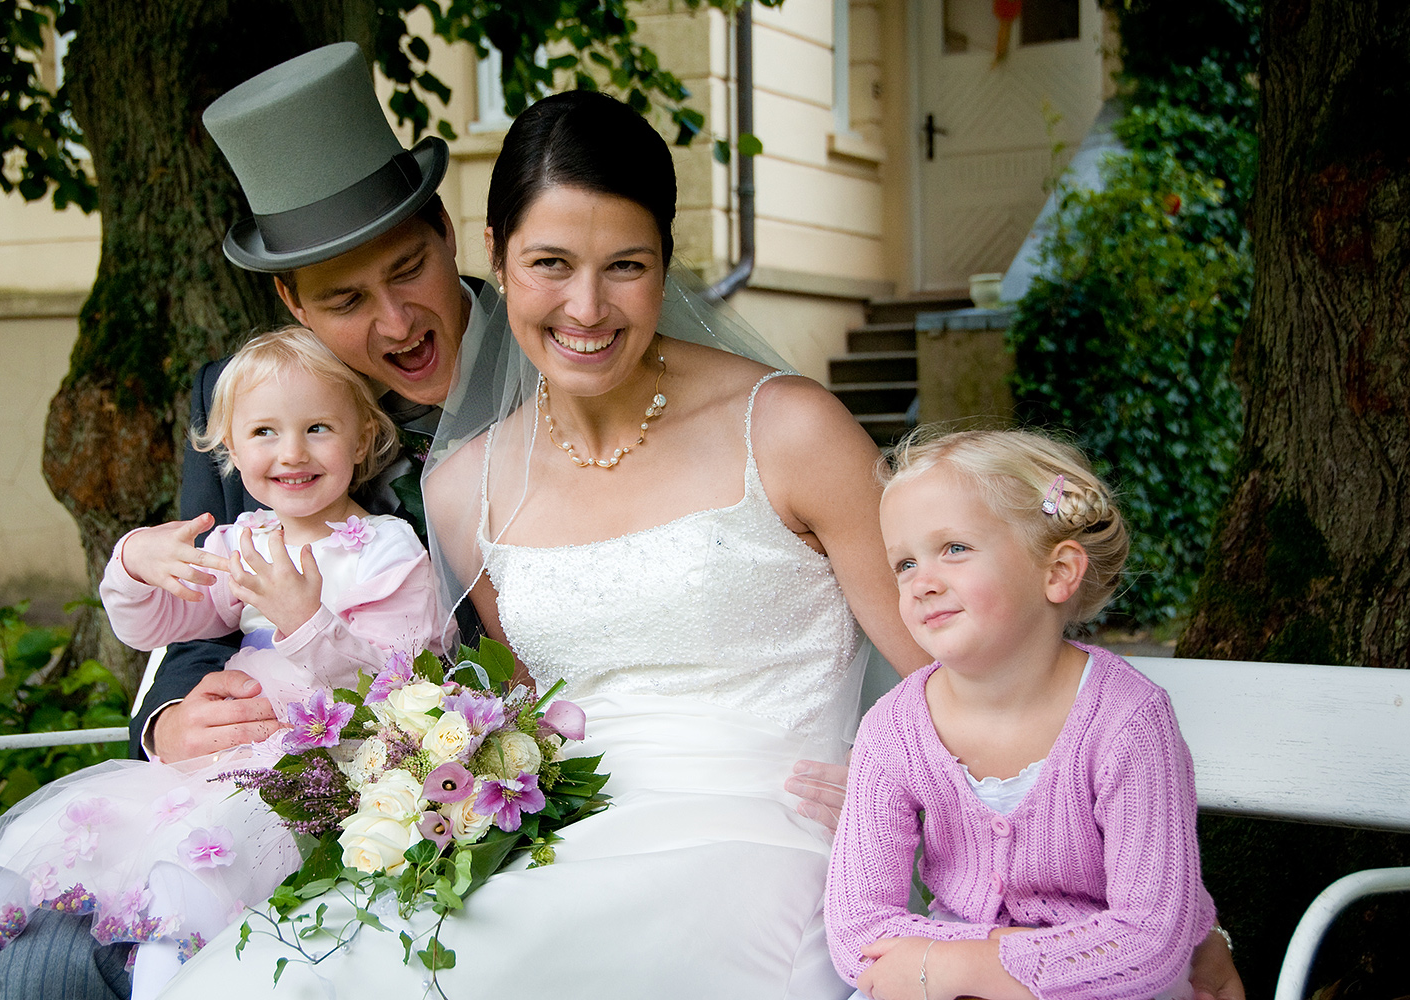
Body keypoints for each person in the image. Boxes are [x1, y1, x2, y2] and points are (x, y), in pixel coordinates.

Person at [157, 88, 927, 1000]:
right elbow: (526, 710)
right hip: (563, 840)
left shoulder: (792, 429)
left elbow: (947, 669)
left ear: (667, 264)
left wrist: (904, 799)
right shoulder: (462, 488)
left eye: (627, 266)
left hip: (767, 838)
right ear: (501, 257)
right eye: (551, 263)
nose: (588, 307)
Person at [0, 328, 439, 1000]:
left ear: (360, 440)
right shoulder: (243, 539)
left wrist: (305, 622)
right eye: (264, 431)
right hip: (219, 765)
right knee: (75, 851)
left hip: (320, 763)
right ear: (230, 450)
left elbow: (404, 675)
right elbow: (161, 625)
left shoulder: (384, 549)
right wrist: (134, 565)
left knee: (189, 873)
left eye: (318, 428)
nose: (292, 452)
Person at [129, 41, 489, 768]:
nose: (396, 323)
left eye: (410, 269)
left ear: (446, 233)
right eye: (345, 299)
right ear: (291, 300)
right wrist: (169, 720)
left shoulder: (562, 359)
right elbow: (203, 613)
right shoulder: (247, 404)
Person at [825, 429, 1214, 1000]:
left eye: (954, 549)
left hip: (1099, 979)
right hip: (942, 977)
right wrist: (947, 964)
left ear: (1057, 573)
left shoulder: (1127, 722)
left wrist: (973, 965)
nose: (922, 583)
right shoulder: (893, 731)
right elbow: (857, 926)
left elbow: (1152, 935)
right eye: (904, 563)